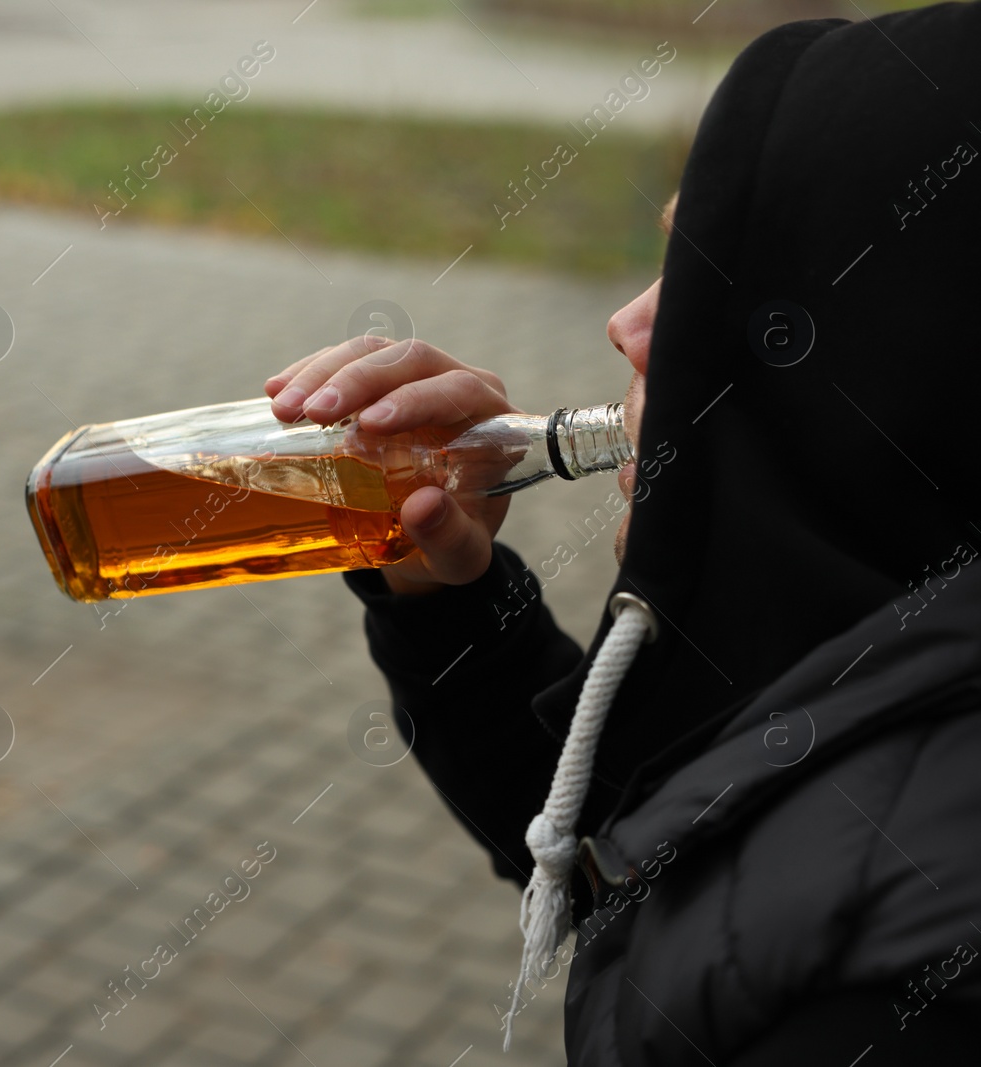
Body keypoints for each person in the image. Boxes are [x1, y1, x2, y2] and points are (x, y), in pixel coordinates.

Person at [265, 5, 981, 1063]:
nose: (631, 326)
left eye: (702, 271)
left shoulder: (877, 1002)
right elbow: (650, 856)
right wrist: (449, 600)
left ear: (891, 355)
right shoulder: (886, 651)